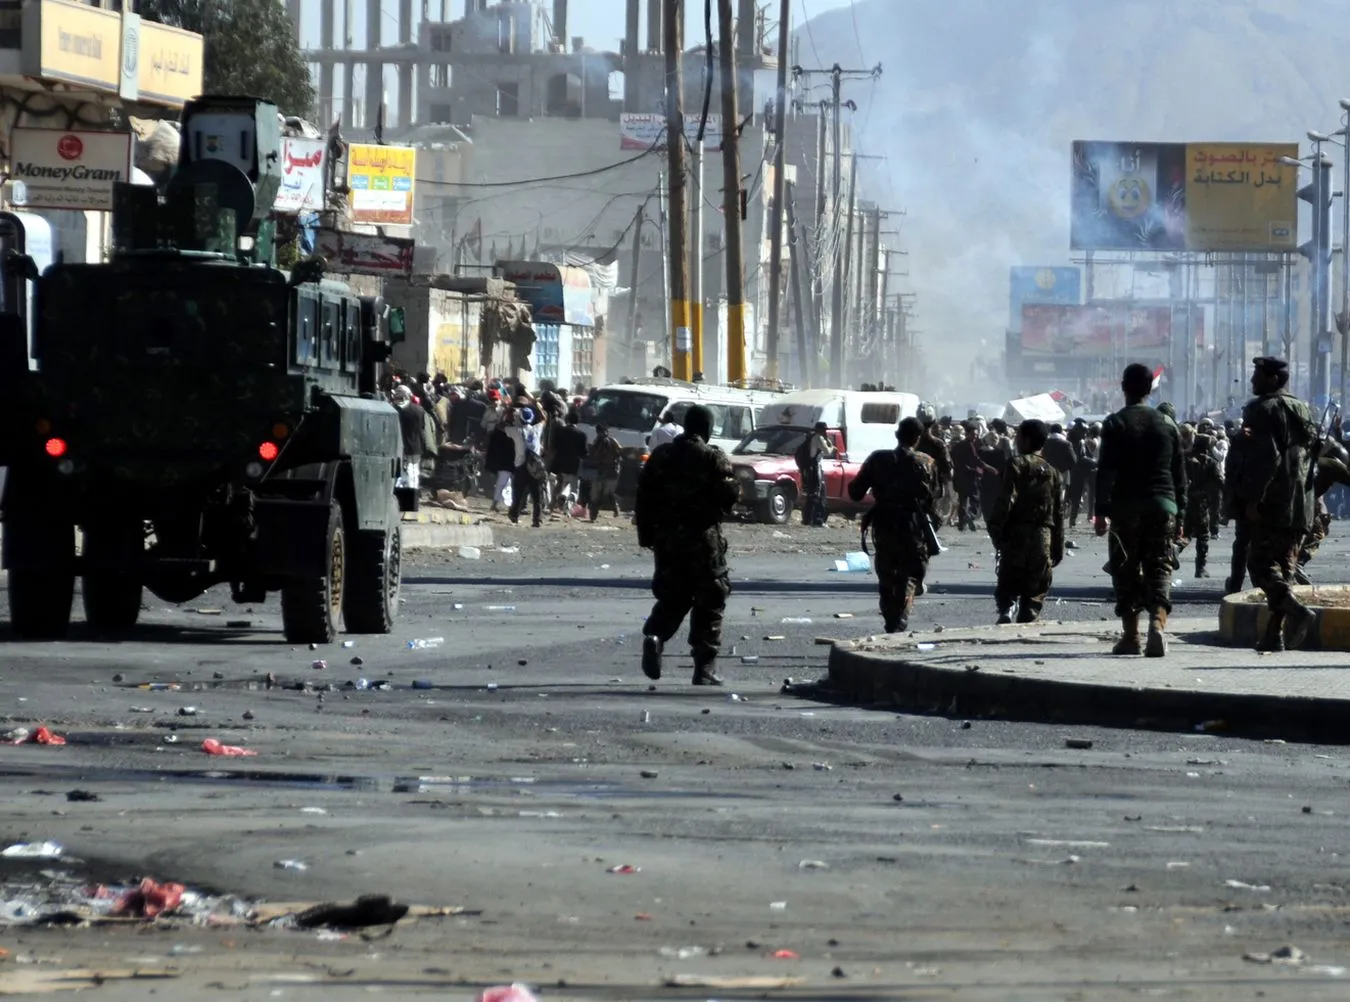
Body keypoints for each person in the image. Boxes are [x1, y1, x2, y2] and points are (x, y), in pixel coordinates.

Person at [635, 405, 738, 686]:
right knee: (711, 598)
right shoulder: (712, 457)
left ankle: (655, 636)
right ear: (706, 429)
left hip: (666, 541)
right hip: (703, 541)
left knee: (673, 596)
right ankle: (704, 667)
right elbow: (729, 496)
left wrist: (646, 535)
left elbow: (642, 498)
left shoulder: (661, 457)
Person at [1095, 363, 1187, 658]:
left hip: (1126, 508)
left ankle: (1131, 636)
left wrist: (1100, 511)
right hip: (1163, 506)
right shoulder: (1167, 424)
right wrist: (1181, 515)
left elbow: (1106, 472)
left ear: (1124, 387)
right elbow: (1179, 475)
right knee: (1160, 565)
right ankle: (1157, 626)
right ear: (1150, 389)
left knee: (1125, 569)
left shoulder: (1115, 423)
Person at [1235, 357, 1318, 652]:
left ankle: (1297, 612)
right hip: (1302, 503)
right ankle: (1274, 634)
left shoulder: (1261, 409)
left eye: (1257, 375)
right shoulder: (1304, 408)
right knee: (1285, 569)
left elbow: (1266, 458)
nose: (1252, 380)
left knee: (1259, 565)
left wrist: (1255, 498)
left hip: (1274, 501)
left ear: (1272, 379)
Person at [847, 417, 940, 634]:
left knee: (887, 575)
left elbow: (855, 492)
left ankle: (892, 620)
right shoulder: (927, 463)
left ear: (897, 435)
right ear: (917, 438)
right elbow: (934, 499)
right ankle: (900, 619)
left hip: (885, 524)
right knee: (911, 574)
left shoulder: (878, 459)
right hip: (913, 526)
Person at [987, 419, 1064, 625]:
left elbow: (1006, 501)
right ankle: (1028, 614)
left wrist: (996, 530)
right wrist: (1058, 546)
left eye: (1019, 436)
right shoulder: (1053, 472)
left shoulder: (1016, 464)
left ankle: (1007, 608)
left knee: (1009, 579)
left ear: (1027, 440)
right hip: (1043, 536)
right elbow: (1058, 513)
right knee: (1036, 587)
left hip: (1016, 533)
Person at [1181, 426, 1222, 578]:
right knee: (1203, 535)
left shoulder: (1184, 459)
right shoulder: (1209, 462)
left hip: (1185, 501)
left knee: (1186, 532)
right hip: (1200, 503)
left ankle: (1175, 551)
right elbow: (1219, 482)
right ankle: (1200, 568)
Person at [951, 421, 995, 531]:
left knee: (962, 500)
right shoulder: (969, 445)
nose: (975, 437)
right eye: (973, 434)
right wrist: (988, 468)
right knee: (975, 499)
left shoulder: (957, 446)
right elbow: (976, 460)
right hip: (969, 477)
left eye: (976, 435)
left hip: (958, 477)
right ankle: (970, 515)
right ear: (967, 433)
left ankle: (962, 523)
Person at [506, 407, 544, 527]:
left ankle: (514, 515)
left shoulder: (516, 431)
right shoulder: (537, 429)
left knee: (518, 494)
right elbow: (544, 418)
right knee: (537, 495)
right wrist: (535, 403)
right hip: (535, 466)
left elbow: (501, 426)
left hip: (521, 466)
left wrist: (508, 413)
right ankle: (537, 519)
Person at [393, 384, 432, 491]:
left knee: (402, 471)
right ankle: (413, 492)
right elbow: (423, 429)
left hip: (400, 446)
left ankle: (404, 493)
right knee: (414, 470)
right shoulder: (419, 409)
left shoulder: (395, 409)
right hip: (416, 445)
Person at [549, 409, 588, 516]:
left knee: (559, 483)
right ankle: (566, 506)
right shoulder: (581, 435)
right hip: (574, 465)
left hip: (559, 463)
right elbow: (583, 452)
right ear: (578, 421)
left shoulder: (559, 431)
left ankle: (553, 504)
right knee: (574, 488)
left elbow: (554, 446)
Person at [797, 421, 836, 527]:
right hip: (815, 468)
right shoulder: (818, 438)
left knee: (813, 493)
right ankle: (817, 519)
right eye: (824, 430)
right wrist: (831, 445)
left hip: (810, 468)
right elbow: (828, 451)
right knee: (818, 494)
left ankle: (808, 519)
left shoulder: (811, 438)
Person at [588, 423, 623, 521]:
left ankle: (593, 515)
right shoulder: (613, 440)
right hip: (613, 470)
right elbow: (620, 450)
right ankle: (615, 508)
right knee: (608, 493)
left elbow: (594, 454)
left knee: (596, 494)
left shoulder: (598, 441)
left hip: (602, 470)